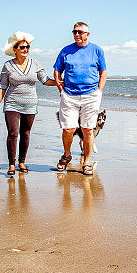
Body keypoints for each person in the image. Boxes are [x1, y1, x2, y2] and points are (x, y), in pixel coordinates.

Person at [0, 31, 59, 176]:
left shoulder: (35, 63)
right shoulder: (8, 65)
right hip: (12, 103)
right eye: (22, 47)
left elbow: (45, 80)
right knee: (13, 133)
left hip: (30, 104)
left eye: (27, 47)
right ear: (15, 50)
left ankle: (21, 162)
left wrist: (60, 83)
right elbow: (2, 85)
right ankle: (12, 164)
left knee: (25, 134)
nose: (25, 50)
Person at [53, 22, 107, 175]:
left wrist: (99, 91)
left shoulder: (97, 50)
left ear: (87, 34)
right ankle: (67, 155)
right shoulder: (66, 51)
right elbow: (57, 71)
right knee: (68, 129)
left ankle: (87, 163)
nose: (77, 34)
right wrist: (61, 89)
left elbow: (103, 72)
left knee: (88, 130)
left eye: (80, 32)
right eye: (74, 32)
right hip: (69, 96)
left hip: (91, 96)